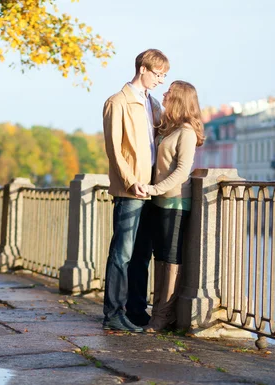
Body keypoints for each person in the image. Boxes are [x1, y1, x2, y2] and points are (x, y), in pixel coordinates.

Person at [102, 49, 169, 332]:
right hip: (131, 189)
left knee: (142, 254)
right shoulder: (117, 102)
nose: (161, 80)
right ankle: (113, 314)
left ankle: (136, 311)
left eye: (164, 76)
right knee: (122, 254)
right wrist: (131, 181)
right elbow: (114, 149)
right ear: (143, 69)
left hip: (151, 188)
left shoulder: (152, 103)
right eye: (158, 74)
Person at [142, 81, 205, 333]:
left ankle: (163, 317)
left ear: (179, 98)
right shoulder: (169, 128)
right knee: (159, 258)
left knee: (170, 259)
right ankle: (156, 312)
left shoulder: (187, 132)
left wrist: (154, 189)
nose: (164, 94)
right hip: (158, 201)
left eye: (169, 92)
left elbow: (182, 172)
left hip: (175, 202)